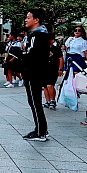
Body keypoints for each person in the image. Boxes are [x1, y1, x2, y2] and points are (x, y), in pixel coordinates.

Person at [21, 8, 51, 141]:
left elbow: (33, 54)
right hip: (36, 72)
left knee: (35, 102)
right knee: (35, 101)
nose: (26, 20)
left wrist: (23, 55)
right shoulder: (40, 34)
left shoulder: (37, 35)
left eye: (28, 17)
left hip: (34, 73)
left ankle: (41, 132)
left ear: (36, 20)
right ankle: (41, 129)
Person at [42, 33, 64, 111]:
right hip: (44, 69)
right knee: (44, 86)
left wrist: (60, 69)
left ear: (52, 40)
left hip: (53, 69)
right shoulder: (42, 48)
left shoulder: (56, 49)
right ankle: (47, 101)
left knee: (50, 85)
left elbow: (61, 58)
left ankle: (53, 100)